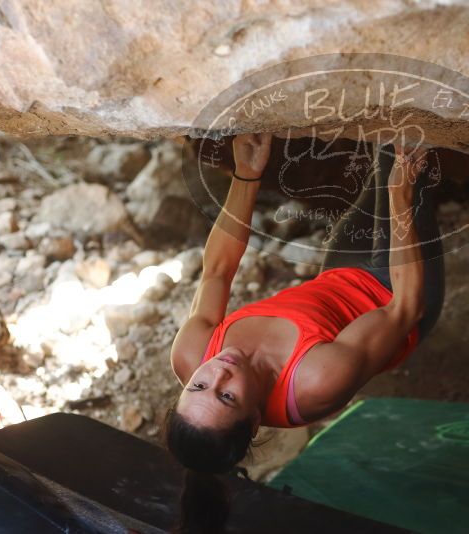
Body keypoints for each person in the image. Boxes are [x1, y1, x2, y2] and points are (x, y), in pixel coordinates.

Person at [164, 133, 445, 532]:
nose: (217, 372)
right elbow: (404, 307)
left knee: (384, 153)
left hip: (340, 272)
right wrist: (402, 195)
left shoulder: (192, 354)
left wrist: (246, 173)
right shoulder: (314, 382)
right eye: (226, 396)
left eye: (197, 387)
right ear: (255, 418)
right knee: (407, 165)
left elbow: (218, 270)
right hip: (402, 290)